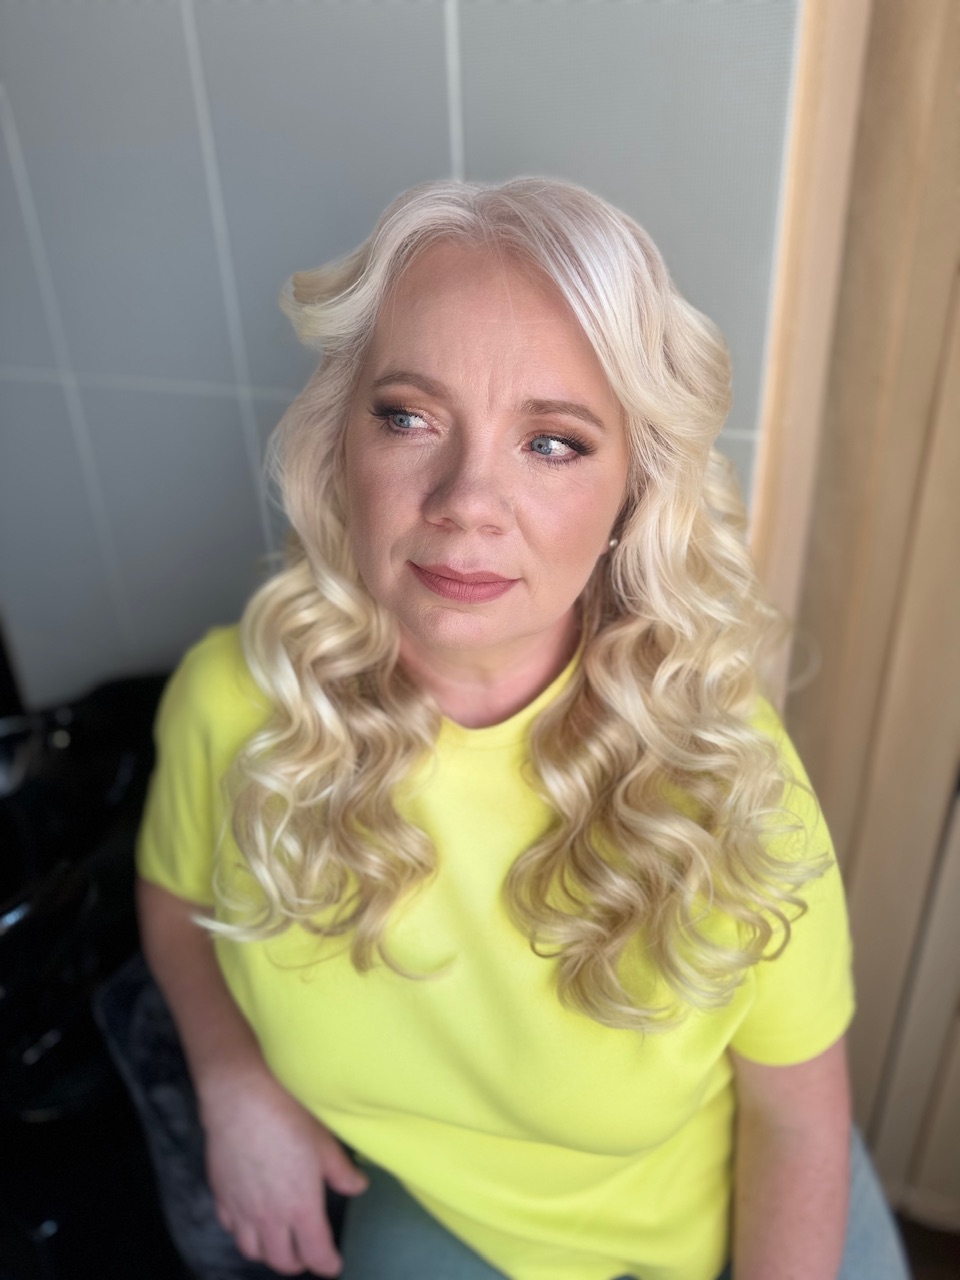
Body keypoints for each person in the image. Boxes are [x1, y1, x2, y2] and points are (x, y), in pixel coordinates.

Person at [134, 178, 909, 1280]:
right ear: (340, 441)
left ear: (635, 492)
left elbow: (795, 1114)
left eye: (552, 442)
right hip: (455, 1219)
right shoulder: (238, 701)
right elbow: (175, 898)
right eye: (408, 416)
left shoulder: (722, 766)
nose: (466, 500)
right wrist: (234, 1080)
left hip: (739, 1219)